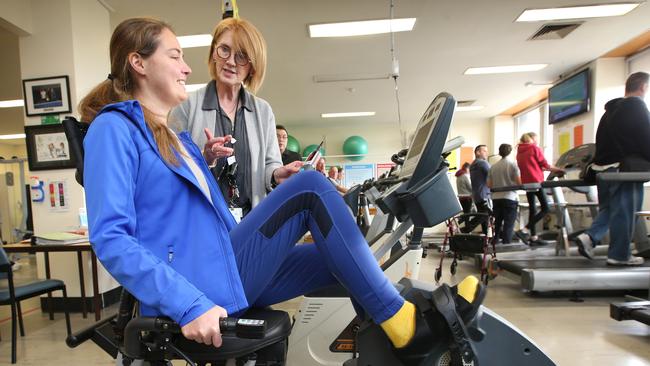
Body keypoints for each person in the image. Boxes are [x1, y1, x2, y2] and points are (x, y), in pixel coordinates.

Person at [79, 18, 484, 363]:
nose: (187, 68)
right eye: (175, 56)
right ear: (138, 63)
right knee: (310, 187)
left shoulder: (176, 140)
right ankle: (407, 329)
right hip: (197, 281)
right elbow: (112, 238)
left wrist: (205, 163)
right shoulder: (113, 130)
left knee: (345, 254)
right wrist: (189, 304)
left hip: (218, 263)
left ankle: (401, 336)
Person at [169, 18, 301, 217]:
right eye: (224, 50)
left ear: (252, 66)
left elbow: (270, 163)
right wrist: (204, 158)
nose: (230, 61)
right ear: (214, 52)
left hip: (251, 220)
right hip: (205, 221)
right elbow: (171, 166)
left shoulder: (262, 111)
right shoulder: (186, 105)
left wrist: (276, 174)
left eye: (241, 56)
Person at [572, 72, 650, 266]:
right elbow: (646, 139)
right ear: (644, 88)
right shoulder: (638, 108)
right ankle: (620, 255)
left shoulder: (610, 111)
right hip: (624, 170)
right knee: (625, 212)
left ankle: (589, 237)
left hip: (603, 171)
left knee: (610, 209)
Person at [516, 132, 564, 243]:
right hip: (537, 182)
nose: (537, 142)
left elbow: (531, 166)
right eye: (536, 139)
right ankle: (524, 230)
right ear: (531, 139)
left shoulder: (519, 152)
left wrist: (542, 169)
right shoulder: (534, 148)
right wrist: (559, 169)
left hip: (527, 183)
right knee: (545, 208)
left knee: (532, 209)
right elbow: (545, 164)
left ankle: (533, 237)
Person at [487, 144, 521, 244]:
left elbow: (489, 184)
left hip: (496, 198)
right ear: (510, 152)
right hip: (510, 197)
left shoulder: (493, 167)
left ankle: (495, 240)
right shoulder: (513, 165)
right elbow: (519, 183)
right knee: (509, 222)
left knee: (497, 222)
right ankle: (506, 242)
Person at [463, 145, 491, 234]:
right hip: (484, 195)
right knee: (485, 214)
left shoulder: (473, 164)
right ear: (478, 152)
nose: (487, 153)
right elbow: (492, 175)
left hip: (477, 195)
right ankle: (465, 229)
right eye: (484, 151)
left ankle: (485, 235)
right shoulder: (483, 163)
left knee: (483, 216)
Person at [455, 162, 473, 227]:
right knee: (467, 214)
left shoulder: (458, 177)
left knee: (465, 213)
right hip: (467, 197)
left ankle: (461, 224)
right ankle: (466, 227)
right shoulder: (465, 176)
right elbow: (470, 187)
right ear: (467, 168)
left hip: (461, 198)